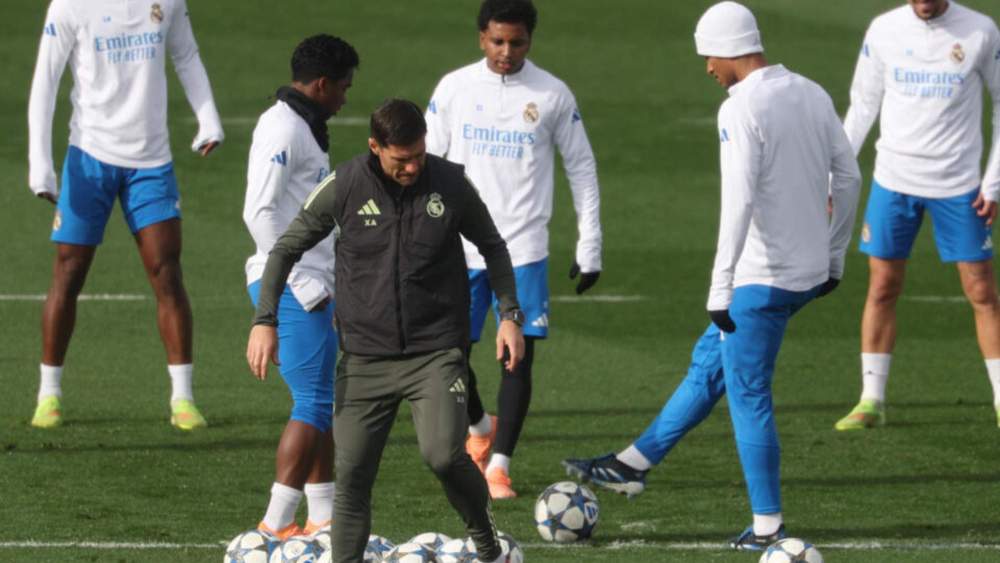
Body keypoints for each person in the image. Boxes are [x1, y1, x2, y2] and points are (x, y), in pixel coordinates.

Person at [562, 1, 861, 551]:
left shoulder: (740, 107)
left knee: (749, 394)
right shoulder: (811, 91)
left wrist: (721, 285)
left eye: (708, 57)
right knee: (710, 366)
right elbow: (848, 176)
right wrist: (835, 254)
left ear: (728, 50)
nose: (707, 68)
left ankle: (767, 527)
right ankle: (633, 463)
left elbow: (738, 201)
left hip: (760, 281)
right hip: (806, 273)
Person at [246, 99, 524, 563]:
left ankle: (488, 544)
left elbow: (493, 246)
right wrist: (264, 320)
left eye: (419, 155)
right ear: (375, 147)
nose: (413, 167)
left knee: (442, 454)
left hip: (435, 354)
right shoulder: (345, 185)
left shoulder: (451, 183)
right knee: (352, 477)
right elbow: (285, 248)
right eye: (401, 159)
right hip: (364, 361)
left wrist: (509, 315)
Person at [424, 0, 602, 499]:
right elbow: (428, 161)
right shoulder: (454, 88)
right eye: (498, 41)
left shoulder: (552, 94)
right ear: (481, 37)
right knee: (447, 355)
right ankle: (481, 428)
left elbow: (582, 166)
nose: (506, 52)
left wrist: (590, 242)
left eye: (517, 42)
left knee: (517, 358)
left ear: (530, 40)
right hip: (459, 246)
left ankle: (499, 465)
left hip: (523, 248)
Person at [27, 0, 223, 430]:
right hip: (89, 156)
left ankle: (183, 399)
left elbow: (186, 54)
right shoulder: (70, 5)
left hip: (151, 161)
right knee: (69, 270)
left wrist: (207, 117)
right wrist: (40, 162)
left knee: (166, 270)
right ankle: (48, 395)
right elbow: (46, 80)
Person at [834, 0, 1000, 431]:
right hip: (894, 181)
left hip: (959, 185)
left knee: (981, 291)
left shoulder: (981, 30)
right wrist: (836, 175)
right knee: (882, 286)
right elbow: (862, 105)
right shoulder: (883, 29)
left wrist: (994, 182)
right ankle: (871, 401)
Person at [243, 34, 358, 539]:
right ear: (322, 84)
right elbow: (259, 212)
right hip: (296, 285)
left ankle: (323, 517)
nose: (346, 98)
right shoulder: (283, 127)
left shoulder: (303, 125)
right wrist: (296, 278)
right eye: (344, 87)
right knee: (311, 402)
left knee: (321, 401)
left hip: (313, 281)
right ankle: (275, 523)